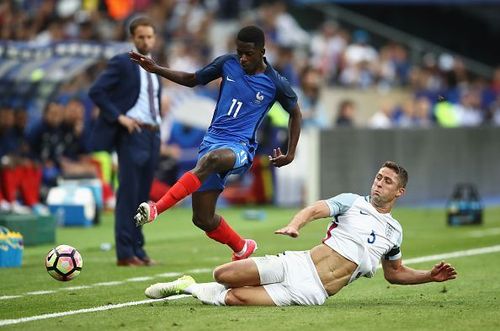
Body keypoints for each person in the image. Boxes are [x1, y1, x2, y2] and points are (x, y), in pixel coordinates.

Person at [143, 161, 457, 306]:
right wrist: (296, 224)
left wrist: (430, 276)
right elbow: (315, 209)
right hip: (299, 263)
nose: (379, 183)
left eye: (387, 181)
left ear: (399, 192)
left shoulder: (395, 232)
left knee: (237, 297)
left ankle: (190, 288)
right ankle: (192, 283)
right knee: (223, 273)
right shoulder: (352, 202)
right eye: (378, 177)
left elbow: (395, 273)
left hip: (312, 293)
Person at [131, 25, 302, 261]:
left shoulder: (275, 82)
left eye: (248, 54)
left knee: (211, 160)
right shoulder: (227, 63)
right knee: (202, 218)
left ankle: (155, 208)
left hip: (241, 148)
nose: (242, 58)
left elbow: (296, 113)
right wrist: (156, 69)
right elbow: (192, 79)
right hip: (211, 142)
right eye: (239, 52)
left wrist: (290, 152)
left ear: (263, 51)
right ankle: (242, 247)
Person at [88, 17, 162, 266]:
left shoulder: (153, 66)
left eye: (149, 36)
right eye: (141, 36)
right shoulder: (123, 62)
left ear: (155, 38)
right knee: (128, 195)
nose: (145, 41)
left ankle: (138, 250)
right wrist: (120, 118)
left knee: (143, 197)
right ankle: (124, 253)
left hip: (153, 134)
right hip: (133, 134)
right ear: (133, 37)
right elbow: (96, 91)